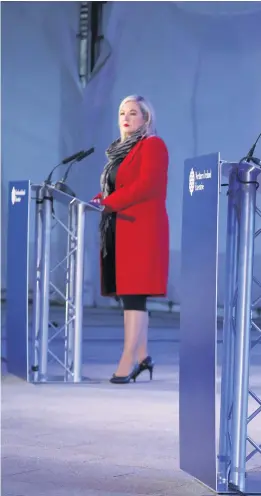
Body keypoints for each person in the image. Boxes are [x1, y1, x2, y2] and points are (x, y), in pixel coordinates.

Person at [92, 95, 169, 384]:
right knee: (130, 294)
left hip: (141, 231)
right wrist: (101, 199)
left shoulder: (153, 145)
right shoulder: (120, 152)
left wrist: (110, 202)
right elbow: (119, 186)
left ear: (146, 119)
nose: (126, 118)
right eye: (122, 112)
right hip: (119, 228)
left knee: (134, 295)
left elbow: (146, 186)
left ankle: (127, 360)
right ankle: (142, 357)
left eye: (133, 113)